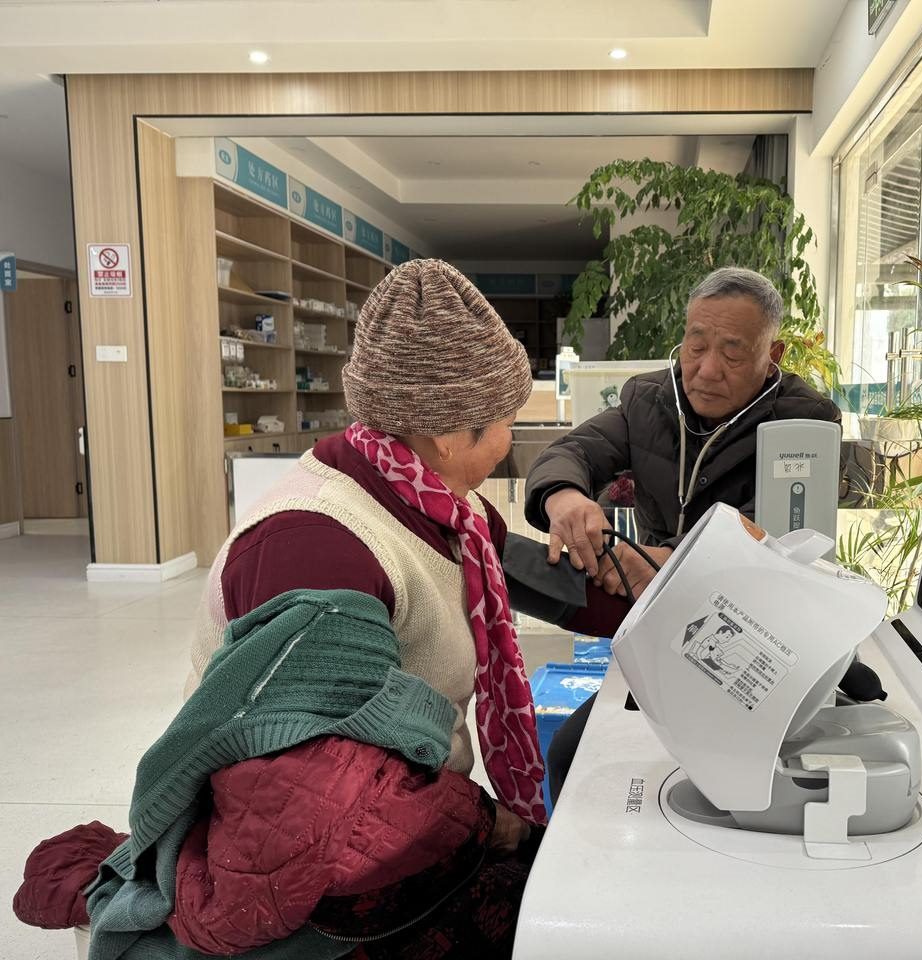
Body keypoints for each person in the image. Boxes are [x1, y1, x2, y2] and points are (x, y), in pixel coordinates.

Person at [14, 260, 613, 959]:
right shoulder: (316, 549)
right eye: (508, 423)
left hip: (399, 818)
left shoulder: (444, 506)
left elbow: (543, 580)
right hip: (309, 862)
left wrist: (657, 592)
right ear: (450, 434)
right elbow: (308, 798)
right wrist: (490, 824)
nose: (512, 442)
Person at [524, 266, 843, 802]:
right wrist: (565, 497)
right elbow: (572, 451)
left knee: (714, 776)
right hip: (662, 632)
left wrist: (665, 560)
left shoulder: (805, 422)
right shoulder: (647, 399)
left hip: (753, 638)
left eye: (733, 353)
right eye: (696, 346)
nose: (707, 370)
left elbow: (777, 534)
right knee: (571, 754)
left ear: (774, 355)